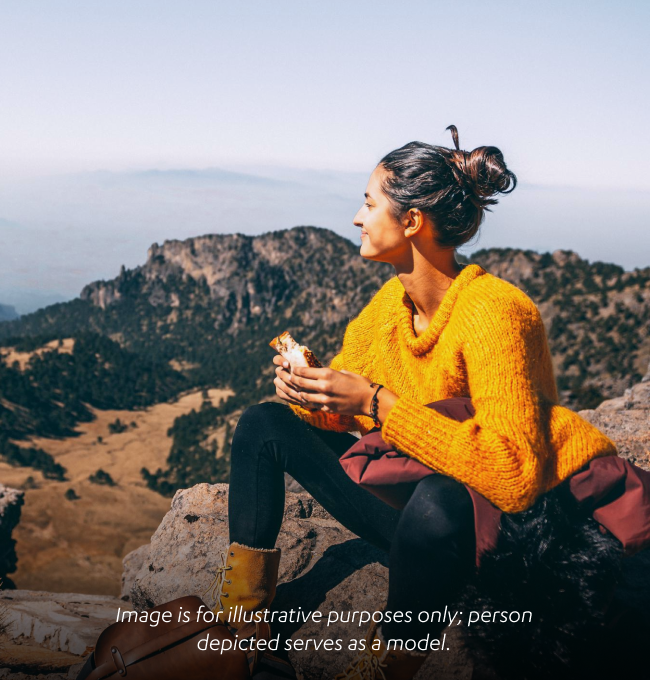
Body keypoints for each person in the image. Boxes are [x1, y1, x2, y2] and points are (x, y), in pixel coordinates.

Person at [206, 126, 618, 680]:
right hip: (414, 522)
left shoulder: (496, 312)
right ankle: (242, 626)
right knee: (263, 424)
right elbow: (344, 409)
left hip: (495, 535)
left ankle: (388, 664)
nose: (357, 216)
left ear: (411, 221)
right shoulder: (390, 307)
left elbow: (513, 474)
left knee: (437, 497)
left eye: (370, 202)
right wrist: (306, 393)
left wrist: (380, 404)